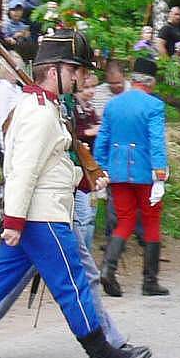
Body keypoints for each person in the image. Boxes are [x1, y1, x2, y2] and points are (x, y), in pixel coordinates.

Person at [0, 30, 151, 358]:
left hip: (36, 212)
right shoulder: (39, 112)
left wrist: (82, 179)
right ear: (54, 71)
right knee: (73, 285)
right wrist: (15, 222)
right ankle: (104, 357)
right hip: (42, 217)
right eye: (75, 70)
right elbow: (23, 172)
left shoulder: (40, 107)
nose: (80, 77)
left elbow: (50, 164)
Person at [94, 58, 170, 297]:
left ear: (133, 78)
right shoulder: (154, 105)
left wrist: (100, 169)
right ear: (152, 81)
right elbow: (156, 142)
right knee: (150, 222)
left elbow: (102, 140)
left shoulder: (114, 105)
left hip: (117, 172)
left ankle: (108, 268)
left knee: (125, 221)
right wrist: (160, 175)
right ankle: (150, 281)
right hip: (145, 173)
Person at [72, 73, 101, 252]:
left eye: (93, 87)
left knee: (90, 217)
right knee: (82, 218)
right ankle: (79, 260)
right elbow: (73, 134)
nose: (90, 92)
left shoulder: (89, 109)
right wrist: (91, 131)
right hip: (77, 169)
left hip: (90, 169)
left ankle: (86, 256)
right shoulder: (73, 110)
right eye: (86, 88)